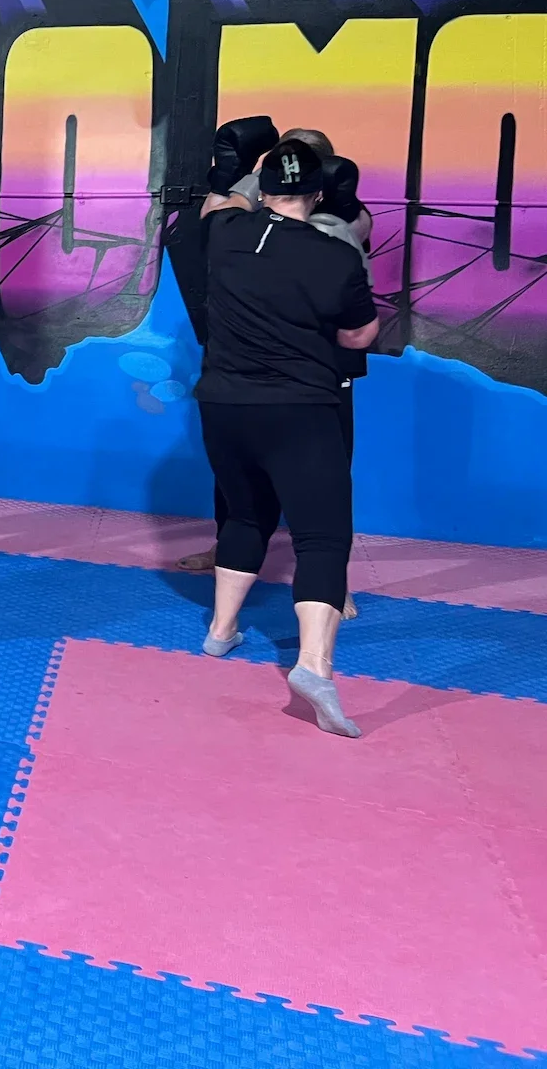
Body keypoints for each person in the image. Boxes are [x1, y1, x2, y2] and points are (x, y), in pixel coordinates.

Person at [195, 138, 379, 737]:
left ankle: (221, 632)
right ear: (319, 194)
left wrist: (247, 176)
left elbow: (219, 203)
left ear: (262, 187)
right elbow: (357, 339)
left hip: (223, 405)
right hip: (300, 407)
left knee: (245, 515)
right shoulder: (336, 257)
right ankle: (313, 668)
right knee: (322, 536)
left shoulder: (223, 233)